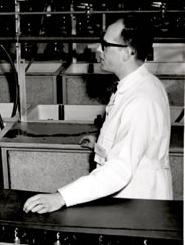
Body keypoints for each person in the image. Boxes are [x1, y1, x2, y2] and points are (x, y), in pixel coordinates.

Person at [24, 15, 173, 214]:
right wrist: (102, 143)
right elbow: (135, 141)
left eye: (106, 45)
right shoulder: (139, 84)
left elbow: (120, 170)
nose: (98, 49)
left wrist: (61, 197)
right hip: (132, 201)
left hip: (137, 205)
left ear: (127, 52)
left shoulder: (142, 100)